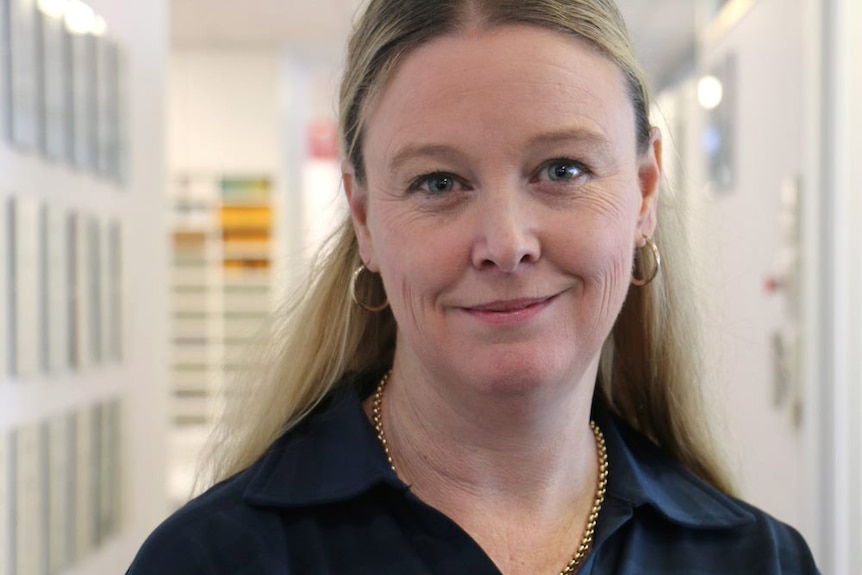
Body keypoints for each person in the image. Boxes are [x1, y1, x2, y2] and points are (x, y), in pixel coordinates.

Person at [128, 0, 820, 573]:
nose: (506, 243)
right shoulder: (213, 559)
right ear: (364, 217)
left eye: (563, 169)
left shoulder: (758, 558)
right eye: (438, 182)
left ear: (644, 191)